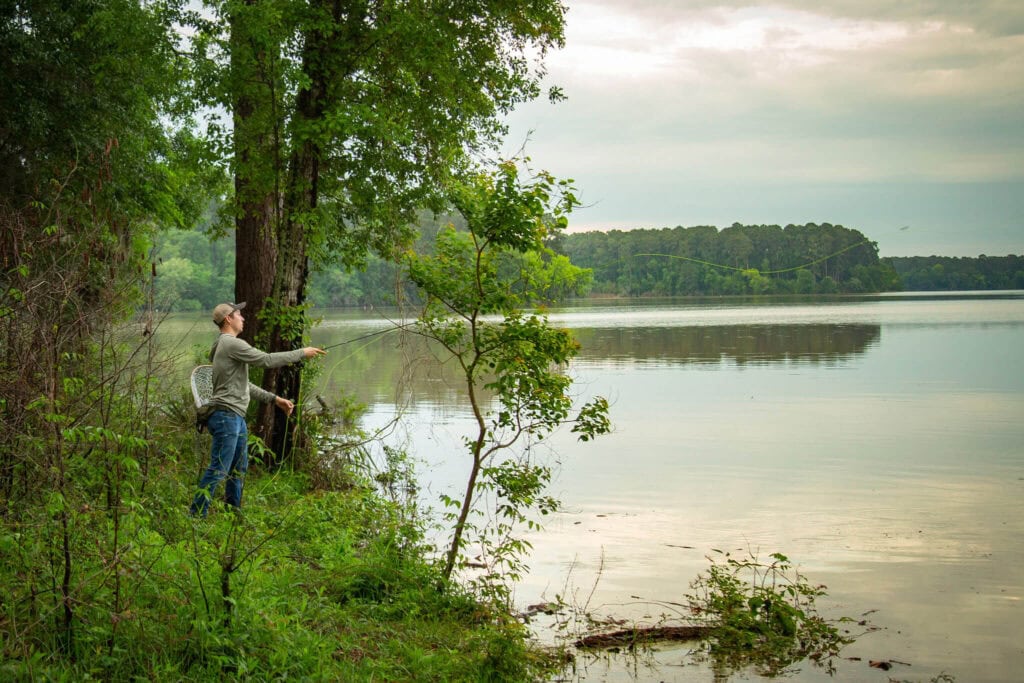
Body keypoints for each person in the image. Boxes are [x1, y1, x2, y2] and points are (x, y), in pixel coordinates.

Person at [189, 301, 326, 517]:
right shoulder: (230, 343)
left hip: (234, 417)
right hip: (226, 416)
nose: (243, 318)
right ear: (228, 319)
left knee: (238, 469)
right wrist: (301, 352)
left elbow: (244, 385)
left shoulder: (225, 346)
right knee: (219, 468)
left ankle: (233, 515)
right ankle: (195, 516)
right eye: (239, 314)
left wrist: (275, 399)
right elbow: (266, 360)